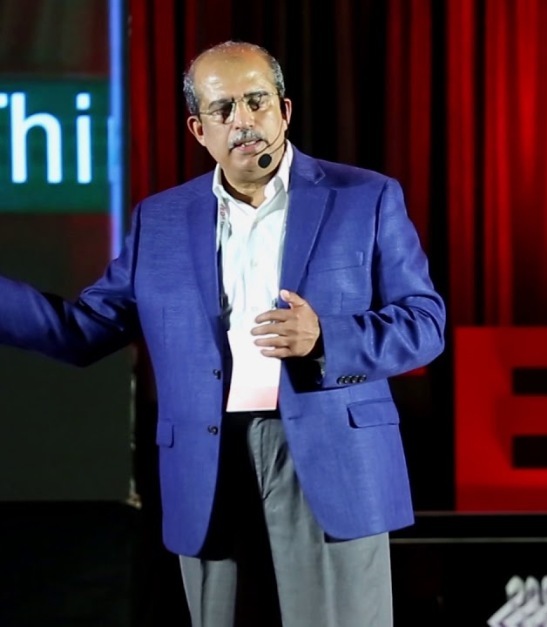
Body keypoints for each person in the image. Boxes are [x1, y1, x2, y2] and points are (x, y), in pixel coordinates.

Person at [0, 40, 445, 626]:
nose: (244, 121)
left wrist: (327, 338)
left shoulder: (364, 197)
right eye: (223, 109)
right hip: (208, 462)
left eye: (257, 102)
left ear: (284, 110)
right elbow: (83, 330)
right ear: (198, 129)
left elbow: (424, 322)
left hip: (330, 457)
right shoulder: (161, 218)